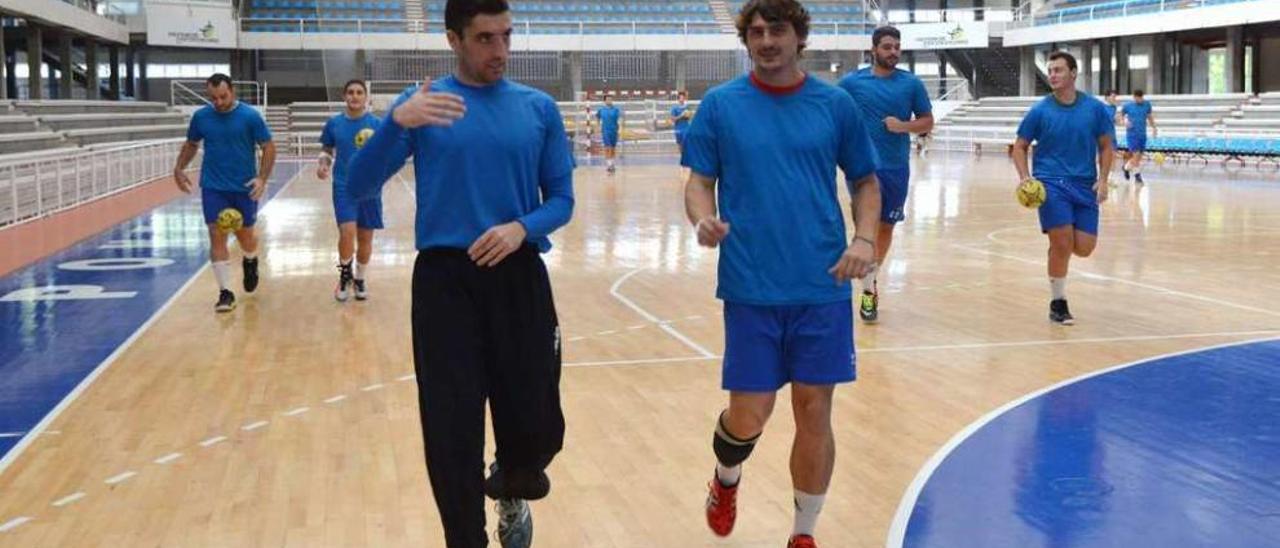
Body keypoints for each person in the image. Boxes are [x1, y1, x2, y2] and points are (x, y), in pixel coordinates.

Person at [346, 1, 575, 546]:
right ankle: (464, 537)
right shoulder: (423, 107)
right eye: (485, 39)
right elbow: (358, 185)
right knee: (451, 425)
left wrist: (522, 227)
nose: (500, 51)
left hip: (518, 273)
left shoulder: (538, 108)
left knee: (536, 416)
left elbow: (562, 200)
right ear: (453, 40)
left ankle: (514, 481)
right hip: (445, 282)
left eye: (506, 37)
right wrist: (393, 125)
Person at [682, 1, 880, 546]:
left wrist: (864, 239)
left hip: (823, 282)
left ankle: (803, 533)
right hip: (751, 286)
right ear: (747, 40)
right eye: (758, 32)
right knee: (750, 414)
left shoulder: (834, 105)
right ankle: (726, 477)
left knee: (815, 409)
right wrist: (703, 220)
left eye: (778, 30)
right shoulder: (721, 106)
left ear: (799, 37)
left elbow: (865, 181)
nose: (767, 40)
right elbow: (699, 182)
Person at [837, 25, 933, 324]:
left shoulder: (911, 84)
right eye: (887, 47)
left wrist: (902, 126)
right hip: (863, 169)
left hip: (896, 167)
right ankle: (868, 291)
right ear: (874, 50)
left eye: (896, 47)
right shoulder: (851, 83)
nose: (893, 52)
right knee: (867, 226)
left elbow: (928, 122)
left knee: (886, 229)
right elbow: (830, 110)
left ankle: (870, 279)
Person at [1012, 51, 1115, 326]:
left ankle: (1056, 254)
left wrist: (1103, 179)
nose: (1052, 75)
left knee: (1083, 248)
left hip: (1085, 185)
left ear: (1073, 73)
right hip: (1050, 184)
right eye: (1050, 70)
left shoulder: (1095, 109)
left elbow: (1107, 146)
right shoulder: (1040, 110)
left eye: (1058, 70)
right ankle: (1058, 303)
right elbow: (1019, 147)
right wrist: (1025, 177)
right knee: (1062, 243)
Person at [172, 73, 276, 313]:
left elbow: (268, 147)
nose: (218, 102)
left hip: (243, 186)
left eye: (223, 96)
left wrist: (262, 178)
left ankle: (250, 259)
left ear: (233, 92)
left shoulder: (250, 116)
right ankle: (225, 292)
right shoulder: (201, 117)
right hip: (213, 186)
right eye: (213, 98)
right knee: (216, 232)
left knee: (245, 236)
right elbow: (191, 144)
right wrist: (179, 168)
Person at [317, 79, 383, 302]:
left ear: (366, 98)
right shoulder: (334, 124)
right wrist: (324, 164)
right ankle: (345, 275)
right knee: (347, 232)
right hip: (344, 186)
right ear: (344, 96)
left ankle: (360, 278)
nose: (354, 96)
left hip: (370, 189)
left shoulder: (377, 124)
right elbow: (327, 149)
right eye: (350, 92)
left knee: (365, 239)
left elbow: (387, 153)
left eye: (359, 93)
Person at [1120, 89, 1157, 184]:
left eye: (1140, 98)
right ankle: (1137, 177)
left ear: (1142, 97)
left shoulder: (1147, 105)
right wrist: (1125, 121)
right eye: (1136, 98)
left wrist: (1154, 128)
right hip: (1132, 134)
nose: (1138, 100)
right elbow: (1120, 115)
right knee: (1136, 155)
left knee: (1139, 157)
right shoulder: (1128, 106)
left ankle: (1126, 167)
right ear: (1134, 97)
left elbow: (1150, 117)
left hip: (1142, 134)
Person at [596, 94, 622, 173]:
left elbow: (619, 119)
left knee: (613, 148)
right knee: (608, 148)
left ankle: (612, 164)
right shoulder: (601, 110)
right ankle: (609, 165)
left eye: (610, 99)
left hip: (614, 131)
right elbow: (597, 117)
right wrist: (598, 126)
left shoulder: (616, 109)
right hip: (605, 131)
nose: (609, 101)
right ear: (605, 101)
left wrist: (620, 129)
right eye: (607, 99)